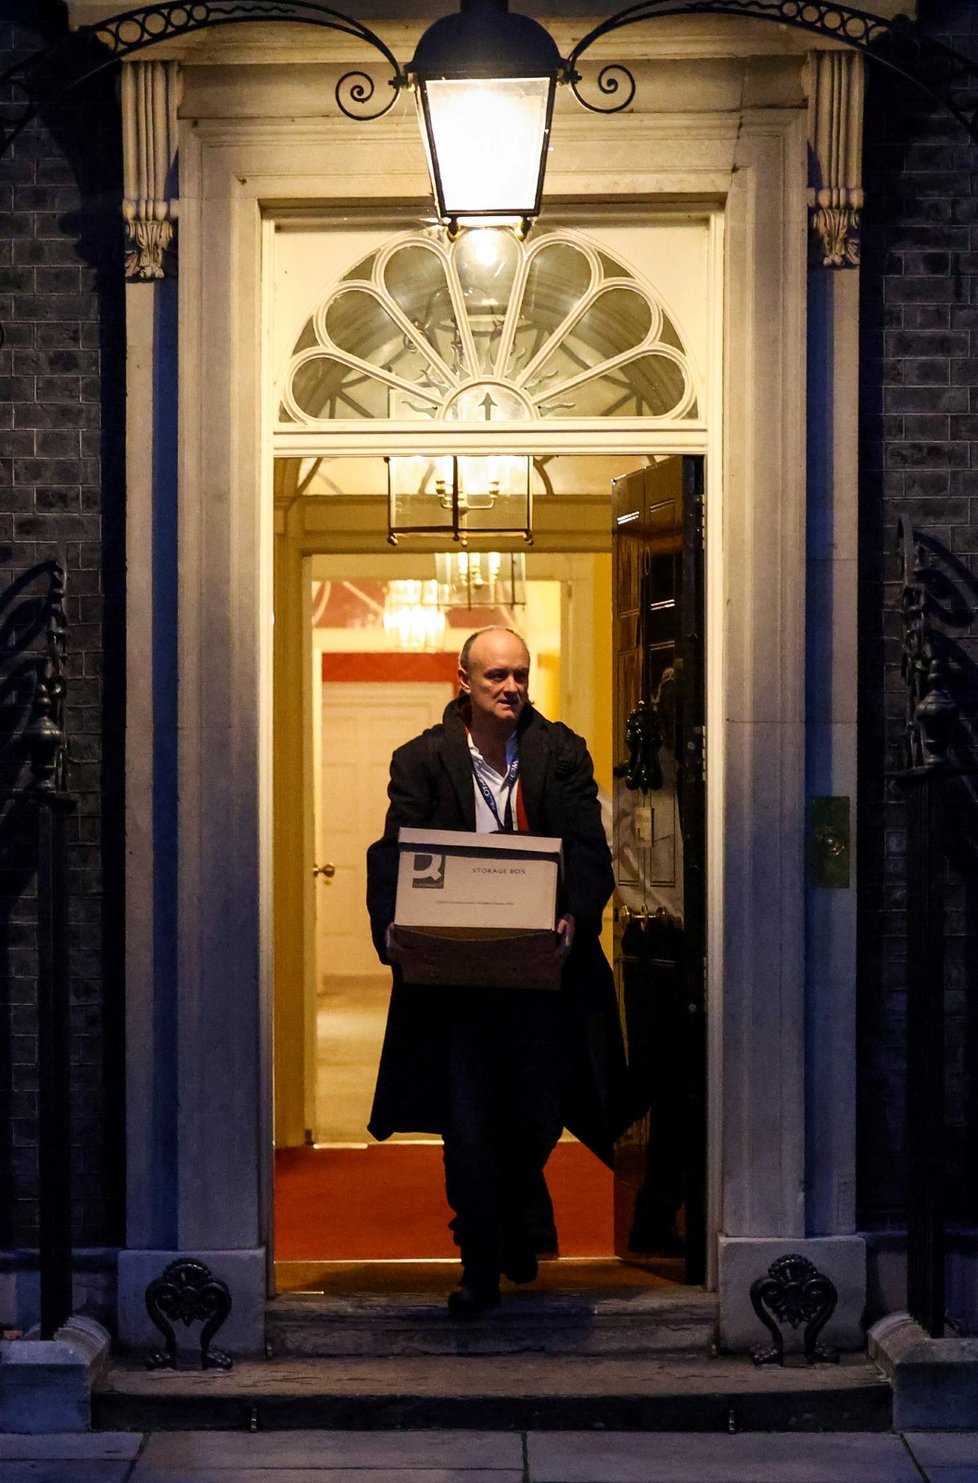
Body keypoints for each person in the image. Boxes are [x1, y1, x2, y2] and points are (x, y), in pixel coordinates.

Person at [365, 626, 628, 1315]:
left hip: (542, 980)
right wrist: (390, 924)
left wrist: (577, 913)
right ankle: (479, 1262)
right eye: (496, 677)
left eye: (519, 674)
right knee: (469, 1125)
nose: (511, 687)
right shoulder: (420, 760)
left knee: (538, 1117)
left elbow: (589, 849)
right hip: (456, 988)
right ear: (465, 683)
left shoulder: (560, 751)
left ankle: (513, 1219)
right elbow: (395, 850)